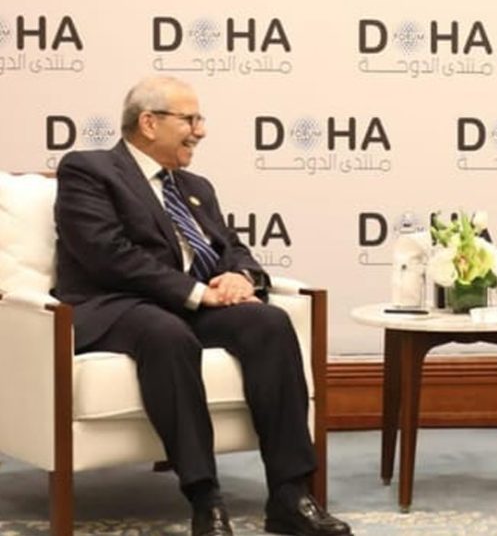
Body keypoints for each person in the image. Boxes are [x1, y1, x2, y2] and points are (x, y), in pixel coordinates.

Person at [54, 76, 352, 536]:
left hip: (187, 304)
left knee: (269, 323)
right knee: (167, 335)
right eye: (190, 119)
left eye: (200, 119)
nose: (201, 131)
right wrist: (195, 293)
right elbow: (107, 254)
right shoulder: (89, 171)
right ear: (149, 123)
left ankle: (290, 495)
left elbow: (229, 246)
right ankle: (205, 499)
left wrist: (241, 277)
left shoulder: (195, 187)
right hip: (116, 304)